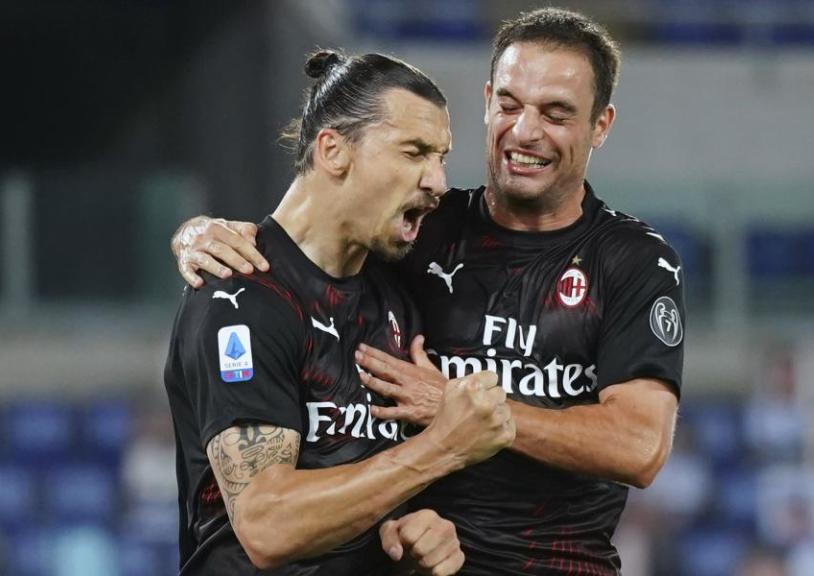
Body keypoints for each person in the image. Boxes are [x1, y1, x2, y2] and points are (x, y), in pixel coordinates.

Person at [171, 8, 683, 575]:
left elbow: (638, 446)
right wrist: (195, 234)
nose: (526, 131)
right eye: (510, 105)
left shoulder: (632, 260)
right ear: (488, 101)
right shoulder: (415, 234)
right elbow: (312, 240)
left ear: (601, 125)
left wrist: (460, 413)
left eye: (556, 112)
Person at [164, 49, 516, 576]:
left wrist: (418, 535)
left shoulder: (394, 297)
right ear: (333, 150)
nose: (438, 181)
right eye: (414, 152)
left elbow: (373, 482)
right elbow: (266, 526)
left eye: (440, 157)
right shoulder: (240, 299)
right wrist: (443, 448)